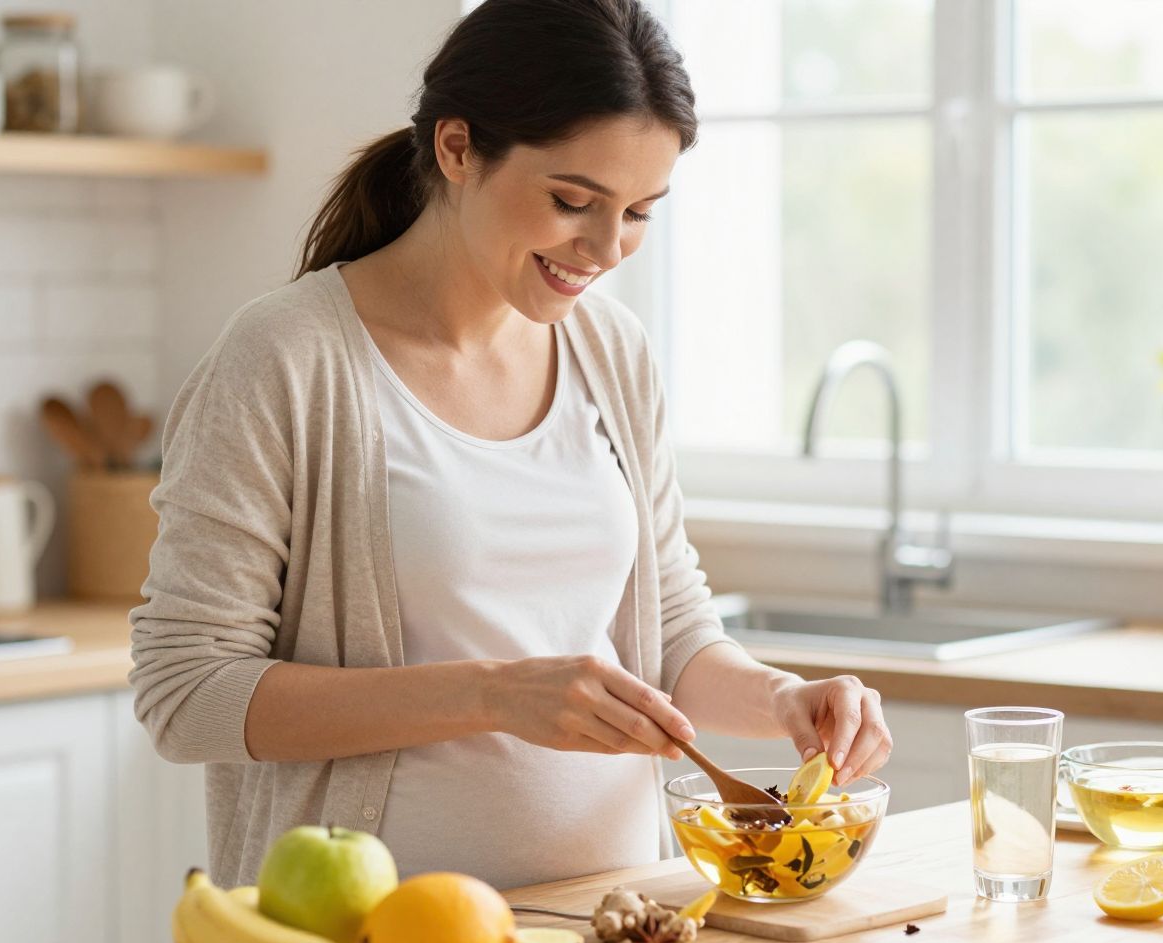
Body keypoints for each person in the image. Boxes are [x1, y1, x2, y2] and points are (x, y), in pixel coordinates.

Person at [129, 0, 892, 889]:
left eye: (640, 212)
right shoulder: (285, 360)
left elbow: (670, 631)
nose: (607, 249)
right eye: (574, 201)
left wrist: (781, 700)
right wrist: (489, 695)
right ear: (457, 149)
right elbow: (187, 695)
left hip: (614, 927)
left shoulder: (612, 352)